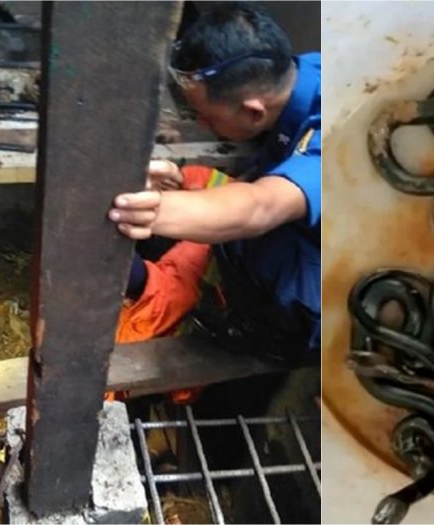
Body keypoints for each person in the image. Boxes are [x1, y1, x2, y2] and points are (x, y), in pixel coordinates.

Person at [108, 2, 321, 363]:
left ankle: (268, 337)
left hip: (315, 295)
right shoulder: (299, 71)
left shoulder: (333, 136)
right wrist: (182, 190)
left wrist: (146, 210)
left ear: (254, 111)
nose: (201, 127)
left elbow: (260, 207)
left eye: (205, 118)